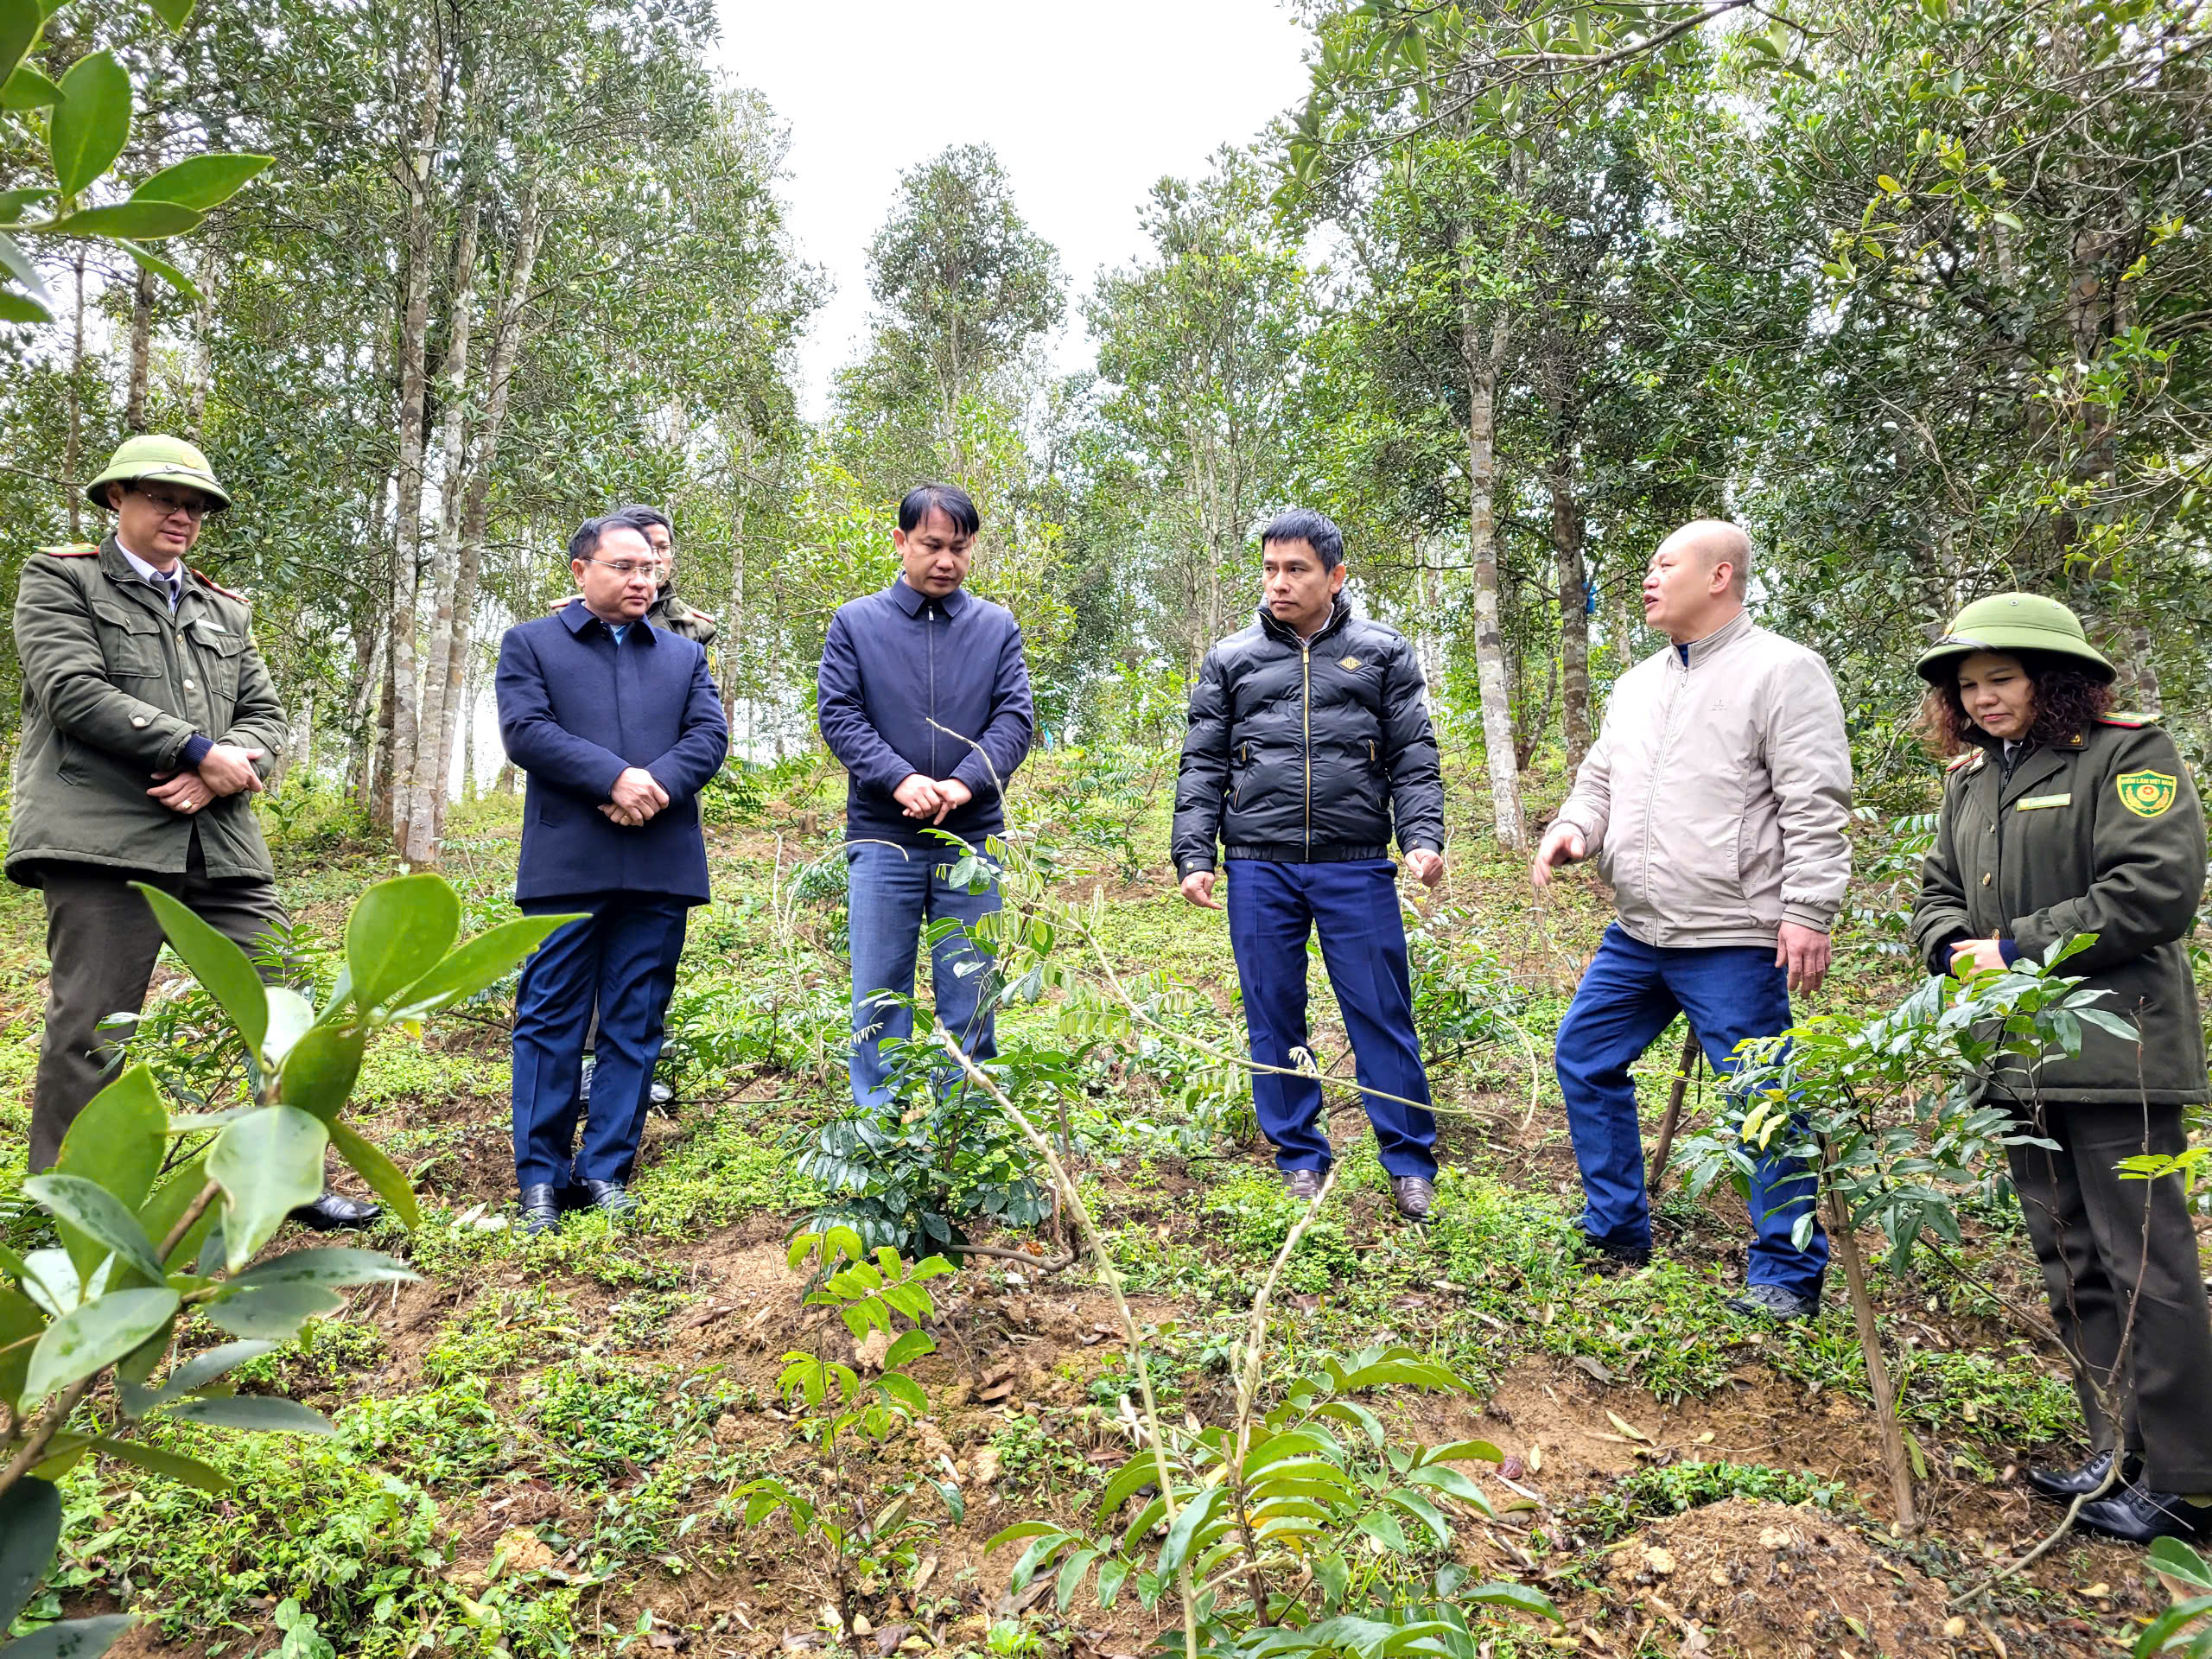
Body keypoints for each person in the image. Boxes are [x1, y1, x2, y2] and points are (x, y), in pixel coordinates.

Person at [8, 436, 376, 1228]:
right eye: (163, 498)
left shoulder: (224, 609)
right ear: (116, 500)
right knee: (94, 1030)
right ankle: (66, 1213)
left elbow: (265, 714)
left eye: (197, 505)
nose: (183, 515)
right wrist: (195, 748)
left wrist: (232, 763)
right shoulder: (60, 579)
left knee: (288, 1003)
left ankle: (290, 1179)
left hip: (221, 843)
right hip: (102, 841)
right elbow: (70, 689)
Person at [1908, 593, 2212, 1545]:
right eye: (1968, 686)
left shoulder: (2127, 756)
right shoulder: (1971, 781)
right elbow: (1935, 895)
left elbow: (2152, 890)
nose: (1984, 699)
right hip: (2014, 1061)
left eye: (2001, 679)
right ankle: (2115, 1449)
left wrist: (2012, 949)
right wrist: (1948, 945)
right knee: (2068, 1257)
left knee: (2145, 1264)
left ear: (2055, 678)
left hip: (2116, 1051)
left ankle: (2188, 1478)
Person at [1533, 518, 1849, 1318]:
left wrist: (1808, 909)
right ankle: (1616, 1229)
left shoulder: (1784, 672)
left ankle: (1785, 1275)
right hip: (1639, 931)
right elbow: (1600, 779)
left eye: (1663, 563)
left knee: (1760, 1099)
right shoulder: (1637, 683)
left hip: (1735, 935)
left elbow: (1816, 803)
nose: (1647, 578)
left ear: (1719, 576)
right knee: (1584, 1056)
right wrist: (1575, 828)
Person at [1171, 508, 1447, 1220]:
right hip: (1259, 865)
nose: (1279, 583)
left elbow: (1414, 757)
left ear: (1335, 576)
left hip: (1355, 863)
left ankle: (1409, 1161)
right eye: (1270, 569)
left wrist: (1422, 837)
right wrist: (1194, 853)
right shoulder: (1232, 659)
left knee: (1381, 1012)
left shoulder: (1383, 652)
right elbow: (1201, 763)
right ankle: (1298, 1152)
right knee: (1272, 1011)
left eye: (1296, 570)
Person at [495, 512, 728, 1234]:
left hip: (660, 860)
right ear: (580, 571)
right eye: (624, 567)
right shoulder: (530, 644)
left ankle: (604, 1172)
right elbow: (527, 732)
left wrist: (651, 784)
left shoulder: (683, 657)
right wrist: (612, 780)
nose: (642, 579)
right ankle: (540, 1179)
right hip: (569, 864)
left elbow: (710, 736)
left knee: (635, 1021)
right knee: (550, 1019)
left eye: (649, 568)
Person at [817, 483, 1034, 1110]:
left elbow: (1015, 719)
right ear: (901, 542)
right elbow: (841, 715)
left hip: (971, 835)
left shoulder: (995, 626)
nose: (946, 561)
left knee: (970, 986)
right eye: (931, 545)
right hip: (885, 835)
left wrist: (966, 781)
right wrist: (901, 780)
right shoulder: (857, 623)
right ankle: (880, 1131)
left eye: (959, 549)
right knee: (879, 989)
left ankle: (964, 1125)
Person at [550, 503, 717, 651]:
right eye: (648, 546)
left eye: (664, 548)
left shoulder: (695, 627)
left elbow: (707, 686)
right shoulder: (568, 614)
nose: (657, 558)